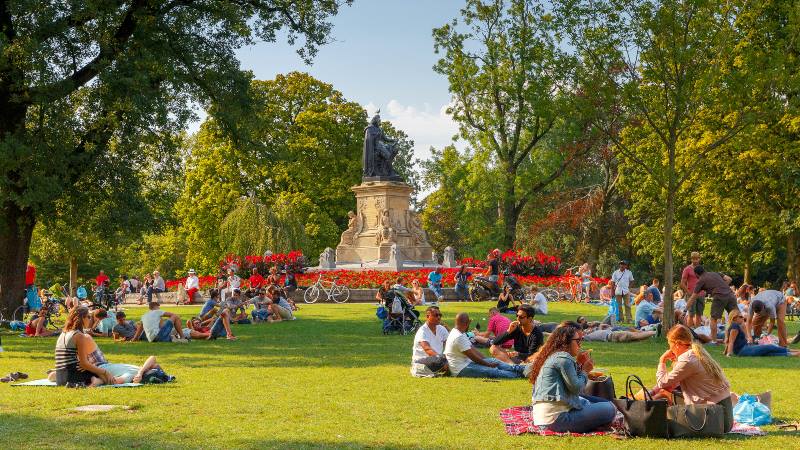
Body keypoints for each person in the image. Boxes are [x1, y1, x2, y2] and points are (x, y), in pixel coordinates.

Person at [529, 323, 617, 433]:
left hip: (543, 417)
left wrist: (579, 365)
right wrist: (585, 371)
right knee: (611, 408)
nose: (580, 345)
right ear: (566, 342)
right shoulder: (564, 358)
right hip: (556, 420)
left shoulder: (554, 356)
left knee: (592, 402)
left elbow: (569, 383)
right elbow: (576, 388)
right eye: (578, 341)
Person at [647, 325, 734, 432]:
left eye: (670, 345)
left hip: (716, 420)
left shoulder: (687, 359)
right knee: (663, 393)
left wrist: (662, 361)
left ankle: (640, 410)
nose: (670, 349)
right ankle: (644, 401)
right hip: (723, 416)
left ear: (677, 344)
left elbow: (662, 383)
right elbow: (671, 384)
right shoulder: (697, 352)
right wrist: (652, 392)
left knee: (663, 395)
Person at [444, 312, 525, 379]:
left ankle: (521, 369)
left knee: (494, 361)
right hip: (460, 369)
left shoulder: (459, 333)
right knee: (492, 371)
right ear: (468, 322)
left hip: (467, 363)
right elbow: (473, 357)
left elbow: (473, 350)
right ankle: (520, 375)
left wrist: (487, 360)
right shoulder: (458, 337)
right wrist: (488, 364)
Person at [54, 306, 117, 387]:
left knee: (97, 371)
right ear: (81, 318)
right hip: (73, 376)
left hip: (60, 378)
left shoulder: (63, 333)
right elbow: (84, 364)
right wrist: (105, 372)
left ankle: (94, 379)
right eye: (88, 317)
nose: (90, 319)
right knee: (107, 377)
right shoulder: (79, 335)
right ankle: (96, 381)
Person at [687, 266, 737, 345]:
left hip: (719, 297)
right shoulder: (715, 273)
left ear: (696, 274)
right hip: (730, 295)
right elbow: (729, 279)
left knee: (713, 319)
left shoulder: (701, 280)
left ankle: (713, 341)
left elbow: (693, 297)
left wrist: (685, 310)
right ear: (704, 270)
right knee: (736, 317)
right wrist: (723, 287)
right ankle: (743, 337)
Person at [727, 315, 800, 357]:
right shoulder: (735, 326)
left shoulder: (735, 326)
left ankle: (795, 354)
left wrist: (725, 352)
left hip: (744, 349)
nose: (743, 318)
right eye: (740, 317)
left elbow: (728, 341)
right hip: (742, 350)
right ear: (734, 318)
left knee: (768, 353)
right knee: (769, 346)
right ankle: (794, 351)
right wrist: (729, 354)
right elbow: (731, 342)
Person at [411, 306, 449, 377]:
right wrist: (440, 358)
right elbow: (427, 349)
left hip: (437, 360)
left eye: (440, 315)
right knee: (444, 361)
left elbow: (450, 344)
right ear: (428, 316)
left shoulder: (442, 329)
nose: (439, 317)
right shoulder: (422, 331)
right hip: (421, 361)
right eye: (436, 315)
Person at [680, 251, 704, 327]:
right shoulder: (687, 269)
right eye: (694, 259)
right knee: (691, 314)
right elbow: (682, 283)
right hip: (692, 294)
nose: (695, 261)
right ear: (691, 259)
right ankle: (689, 332)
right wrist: (688, 292)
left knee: (699, 314)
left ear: (699, 259)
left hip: (701, 294)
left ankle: (698, 332)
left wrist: (705, 291)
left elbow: (704, 279)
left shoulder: (701, 269)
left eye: (697, 259)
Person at [582, 324, 656, 342]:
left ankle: (654, 333)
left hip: (613, 334)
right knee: (636, 335)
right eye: (585, 331)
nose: (587, 330)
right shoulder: (588, 336)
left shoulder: (594, 332)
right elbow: (580, 338)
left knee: (637, 335)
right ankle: (654, 332)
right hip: (612, 336)